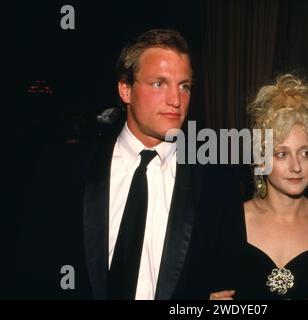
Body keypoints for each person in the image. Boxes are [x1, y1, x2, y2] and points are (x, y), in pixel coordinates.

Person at [16, 29, 241, 300]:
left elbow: (228, 289)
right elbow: (33, 268)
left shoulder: (218, 186)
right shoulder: (66, 171)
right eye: (159, 83)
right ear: (125, 89)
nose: (176, 100)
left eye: (184, 86)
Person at [209, 74, 308, 300]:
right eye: (282, 154)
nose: (296, 166)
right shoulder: (225, 224)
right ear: (261, 159)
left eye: (305, 153)